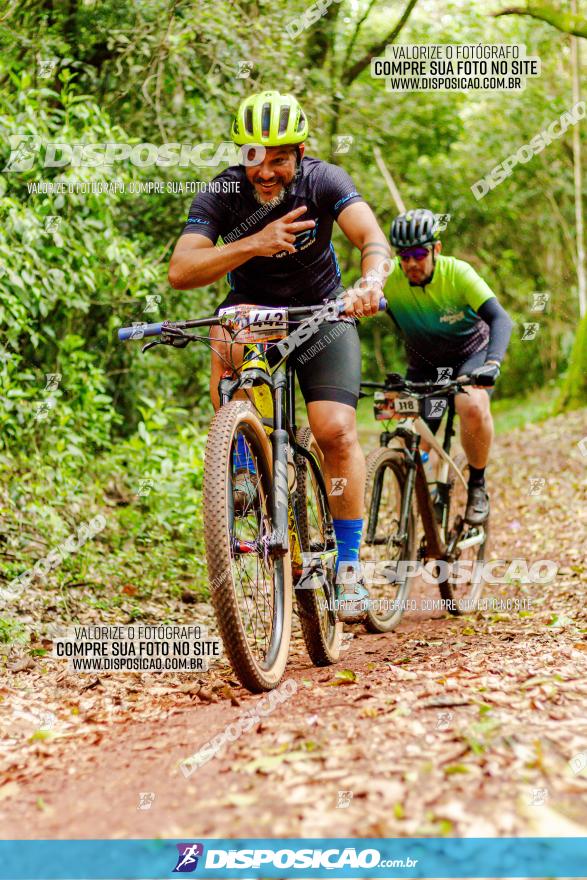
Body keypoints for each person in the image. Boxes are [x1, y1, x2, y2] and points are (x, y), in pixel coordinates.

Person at [168, 90, 391, 620]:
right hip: (254, 316)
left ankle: (351, 568)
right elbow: (181, 270)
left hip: (322, 315)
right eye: (253, 157)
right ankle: (244, 465)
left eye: (278, 159)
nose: (264, 172)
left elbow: (370, 237)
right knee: (225, 336)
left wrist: (371, 281)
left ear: (300, 152)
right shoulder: (225, 190)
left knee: (335, 431)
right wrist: (254, 242)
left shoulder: (324, 181)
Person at [384, 208, 513, 524]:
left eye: (418, 254)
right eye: (404, 256)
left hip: (470, 355)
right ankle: (411, 523)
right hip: (425, 365)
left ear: (436, 250)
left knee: (470, 403)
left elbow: (501, 318)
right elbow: (363, 308)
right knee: (409, 438)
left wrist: (492, 363)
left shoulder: (459, 274)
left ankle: (477, 485)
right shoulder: (389, 281)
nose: (411, 263)